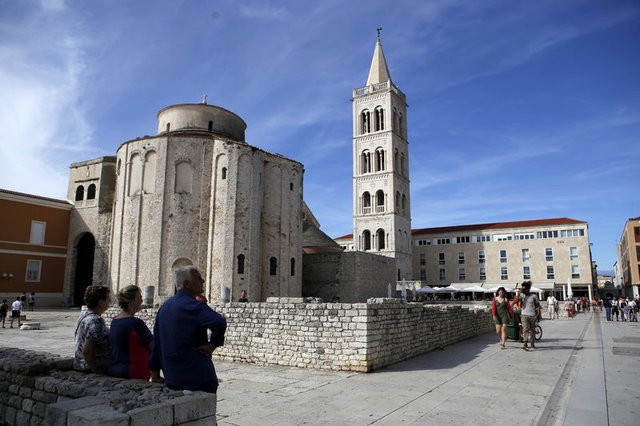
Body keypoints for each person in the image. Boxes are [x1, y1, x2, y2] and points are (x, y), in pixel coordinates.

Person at [150, 266, 227, 394]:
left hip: (173, 378)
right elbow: (219, 322)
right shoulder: (193, 306)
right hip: (198, 377)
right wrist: (212, 345)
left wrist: (155, 373)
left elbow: (157, 342)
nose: (202, 281)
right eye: (198, 279)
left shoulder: (164, 308)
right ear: (187, 284)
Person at [108, 285, 153, 380]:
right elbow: (153, 347)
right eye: (139, 298)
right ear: (132, 302)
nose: (141, 301)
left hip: (116, 369)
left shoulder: (114, 321)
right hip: (134, 371)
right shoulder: (135, 323)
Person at [73, 285, 111, 373]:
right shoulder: (96, 321)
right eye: (108, 299)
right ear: (101, 302)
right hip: (88, 368)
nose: (110, 301)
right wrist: (95, 369)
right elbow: (87, 350)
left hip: (79, 364)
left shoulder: (84, 315)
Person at [520, 281, 540, 351]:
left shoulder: (534, 296)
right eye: (522, 288)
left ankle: (532, 343)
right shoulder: (522, 295)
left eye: (524, 289)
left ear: (528, 289)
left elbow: (537, 306)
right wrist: (520, 292)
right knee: (525, 329)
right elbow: (516, 299)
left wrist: (538, 315)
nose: (523, 290)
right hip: (524, 315)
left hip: (532, 315)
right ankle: (525, 343)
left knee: (532, 330)